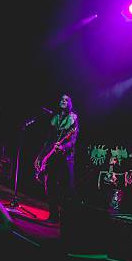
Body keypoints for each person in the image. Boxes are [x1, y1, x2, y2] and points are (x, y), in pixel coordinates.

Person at [34, 94, 79, 224]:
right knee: (49, 185)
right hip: (52, 156)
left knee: (68, 188)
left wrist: (64, 147)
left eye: (66, 100)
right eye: (61, 99)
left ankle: (70, 219)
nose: (63, 101)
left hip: (66, 157)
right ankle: (54, 215)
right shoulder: (54, 117)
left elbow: (73, 139)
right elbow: (49, 140)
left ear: (70, 103)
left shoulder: (73, 118)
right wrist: (40, 156)